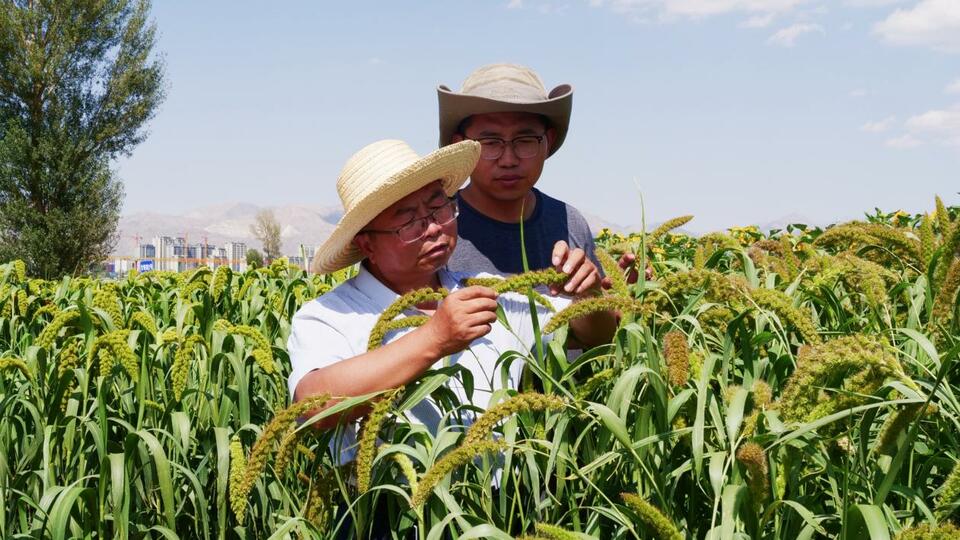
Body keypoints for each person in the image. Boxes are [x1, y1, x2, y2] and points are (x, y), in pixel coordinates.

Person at [291, 140, 616, 453]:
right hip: (395, 508)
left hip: (500, 505)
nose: (433, 228)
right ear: (366, 244)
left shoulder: (488, 291)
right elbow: (313, 405)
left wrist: (588, 297)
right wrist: (435, 337)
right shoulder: (330, 315)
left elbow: (590, 336)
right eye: (409, 222)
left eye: (438, 209)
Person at [439, 63, 623, 282]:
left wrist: (622, 296)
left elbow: (601, 310)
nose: (508, 160)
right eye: (490, 142)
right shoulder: (436, 229)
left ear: (548, 141)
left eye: (525, 141)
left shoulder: (569, 224)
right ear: (460, 147)